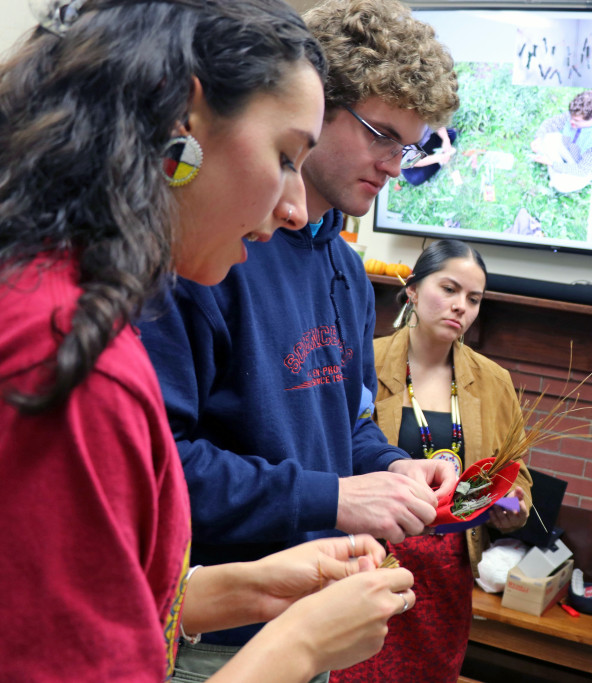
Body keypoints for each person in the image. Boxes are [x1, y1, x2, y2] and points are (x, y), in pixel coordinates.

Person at [0, 1, 415, 681]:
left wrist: (235, 589)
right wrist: (300, 645)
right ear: (182, 126)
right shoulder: (70, 357)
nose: (293, 206)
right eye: (284, 157)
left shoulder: (58, 293)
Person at [136, 0, 460, 678]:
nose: (394, 164)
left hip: (313, 612)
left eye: (409, 145)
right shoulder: (208, 252)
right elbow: (158, 469)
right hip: (207, 633)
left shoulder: (342, 265)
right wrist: (336, 498)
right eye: (381, 135)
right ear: (319, 111)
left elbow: (345, 426)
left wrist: (390, 470)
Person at [333, 239, 534, 683]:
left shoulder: (494, 382)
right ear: (413, 290)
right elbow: (336, 451)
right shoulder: (364, 359)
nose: (460, 306)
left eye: (473, 298)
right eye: (449, 289)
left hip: (446, 580)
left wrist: (509, 505)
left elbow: (520, 478)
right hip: (370, 562)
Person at [529, 89, 592, 193]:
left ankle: (555, 174)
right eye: (571, 117)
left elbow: (582, 171)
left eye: (576, 121)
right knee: (549, 138)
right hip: (570, 152)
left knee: (561, 184)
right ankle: (556, 170)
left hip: (581, 170)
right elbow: (551, 123)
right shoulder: (575, 114)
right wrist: (539, 138)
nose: (571, 121)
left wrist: (551, 163)